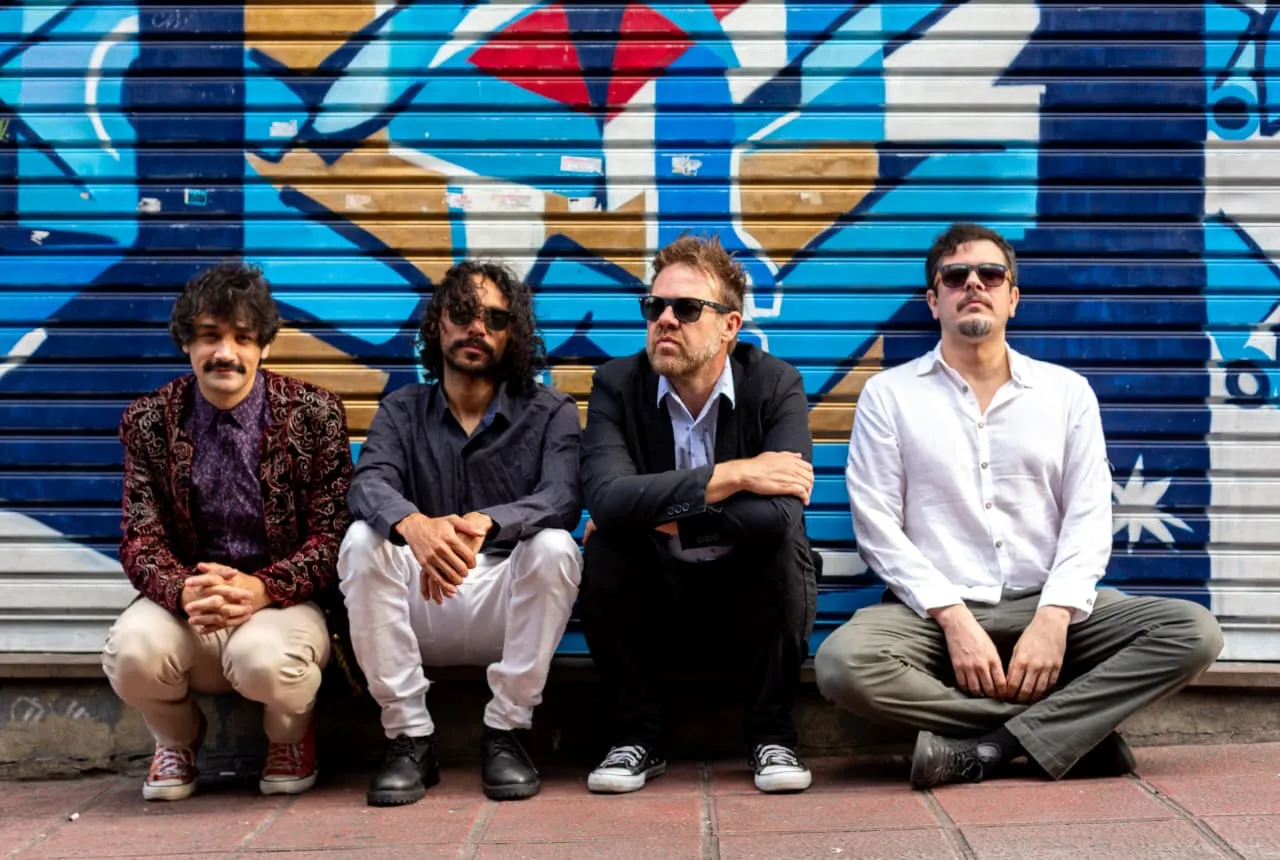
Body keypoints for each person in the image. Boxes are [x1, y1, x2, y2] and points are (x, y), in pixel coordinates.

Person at [815, 222, 1224, 789]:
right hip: (934, 615)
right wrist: (953, 618)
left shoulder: (1066, 393)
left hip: (1048, 603)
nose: (973, 284)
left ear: (1012, 297)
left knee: (1194, 632)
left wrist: (1054, 617)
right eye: (955, 276)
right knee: (842, 664)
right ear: (934, 301)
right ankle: (1059, 736)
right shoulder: (890, 395)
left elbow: (1088, 518)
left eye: (990, 274)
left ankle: (989, 749)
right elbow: (877, 526)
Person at [102, 262, 353, 801]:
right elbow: (140, 537)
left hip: (284, 604)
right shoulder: (149, 420)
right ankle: (176, 740)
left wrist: (262, 588)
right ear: (186, 343)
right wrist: (184, 590)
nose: (225, 353)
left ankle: (290, 737)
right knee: (131, 652)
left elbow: (333, 537)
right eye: (209, 336)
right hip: (190, 603)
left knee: (266, 661)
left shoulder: (315, 414)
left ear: (264, 345)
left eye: (243, 337)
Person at [578, 234, 819, 795]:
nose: (665, 320)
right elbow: (607, 501)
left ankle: (771, 734)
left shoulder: (775, 383)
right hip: (656, 592)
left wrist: (658, 515)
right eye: (655, 306)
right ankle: (634, 736)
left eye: (686, 308)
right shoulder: (616, 384)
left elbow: (778, 516)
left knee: (787, 548)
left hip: (746, 593)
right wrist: (735, 475)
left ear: (730, 326)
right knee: (606, 547)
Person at [338, 261, 582, 806]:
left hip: (507, 607)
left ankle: (508, 731)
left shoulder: (551, 412)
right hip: (420, 603)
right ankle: (409, 738)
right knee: (361, 541)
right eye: (464, 313)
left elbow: (563, 497)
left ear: (513, 334)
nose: (478, 328)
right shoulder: (402, 409)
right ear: (437, 324)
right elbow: (368, 483)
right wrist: (415, 526)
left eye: (495, 318)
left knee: (555, 546)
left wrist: (487, 522)